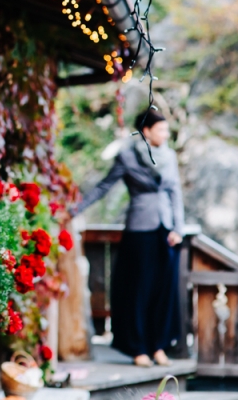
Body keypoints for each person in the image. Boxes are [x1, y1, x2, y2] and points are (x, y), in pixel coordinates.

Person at [68, 109, 184, 367]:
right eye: (161, 129)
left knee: (163, 291)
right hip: (139, 228)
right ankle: (138, 348)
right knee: (138, 290)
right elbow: (104, 185)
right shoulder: (128, 156)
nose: (166, 134)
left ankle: (158, 347)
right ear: (146, 131)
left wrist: (179, 228)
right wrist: (73, 210)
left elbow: (175, 192)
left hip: (167, 232)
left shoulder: (169, 156)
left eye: (166, 129)